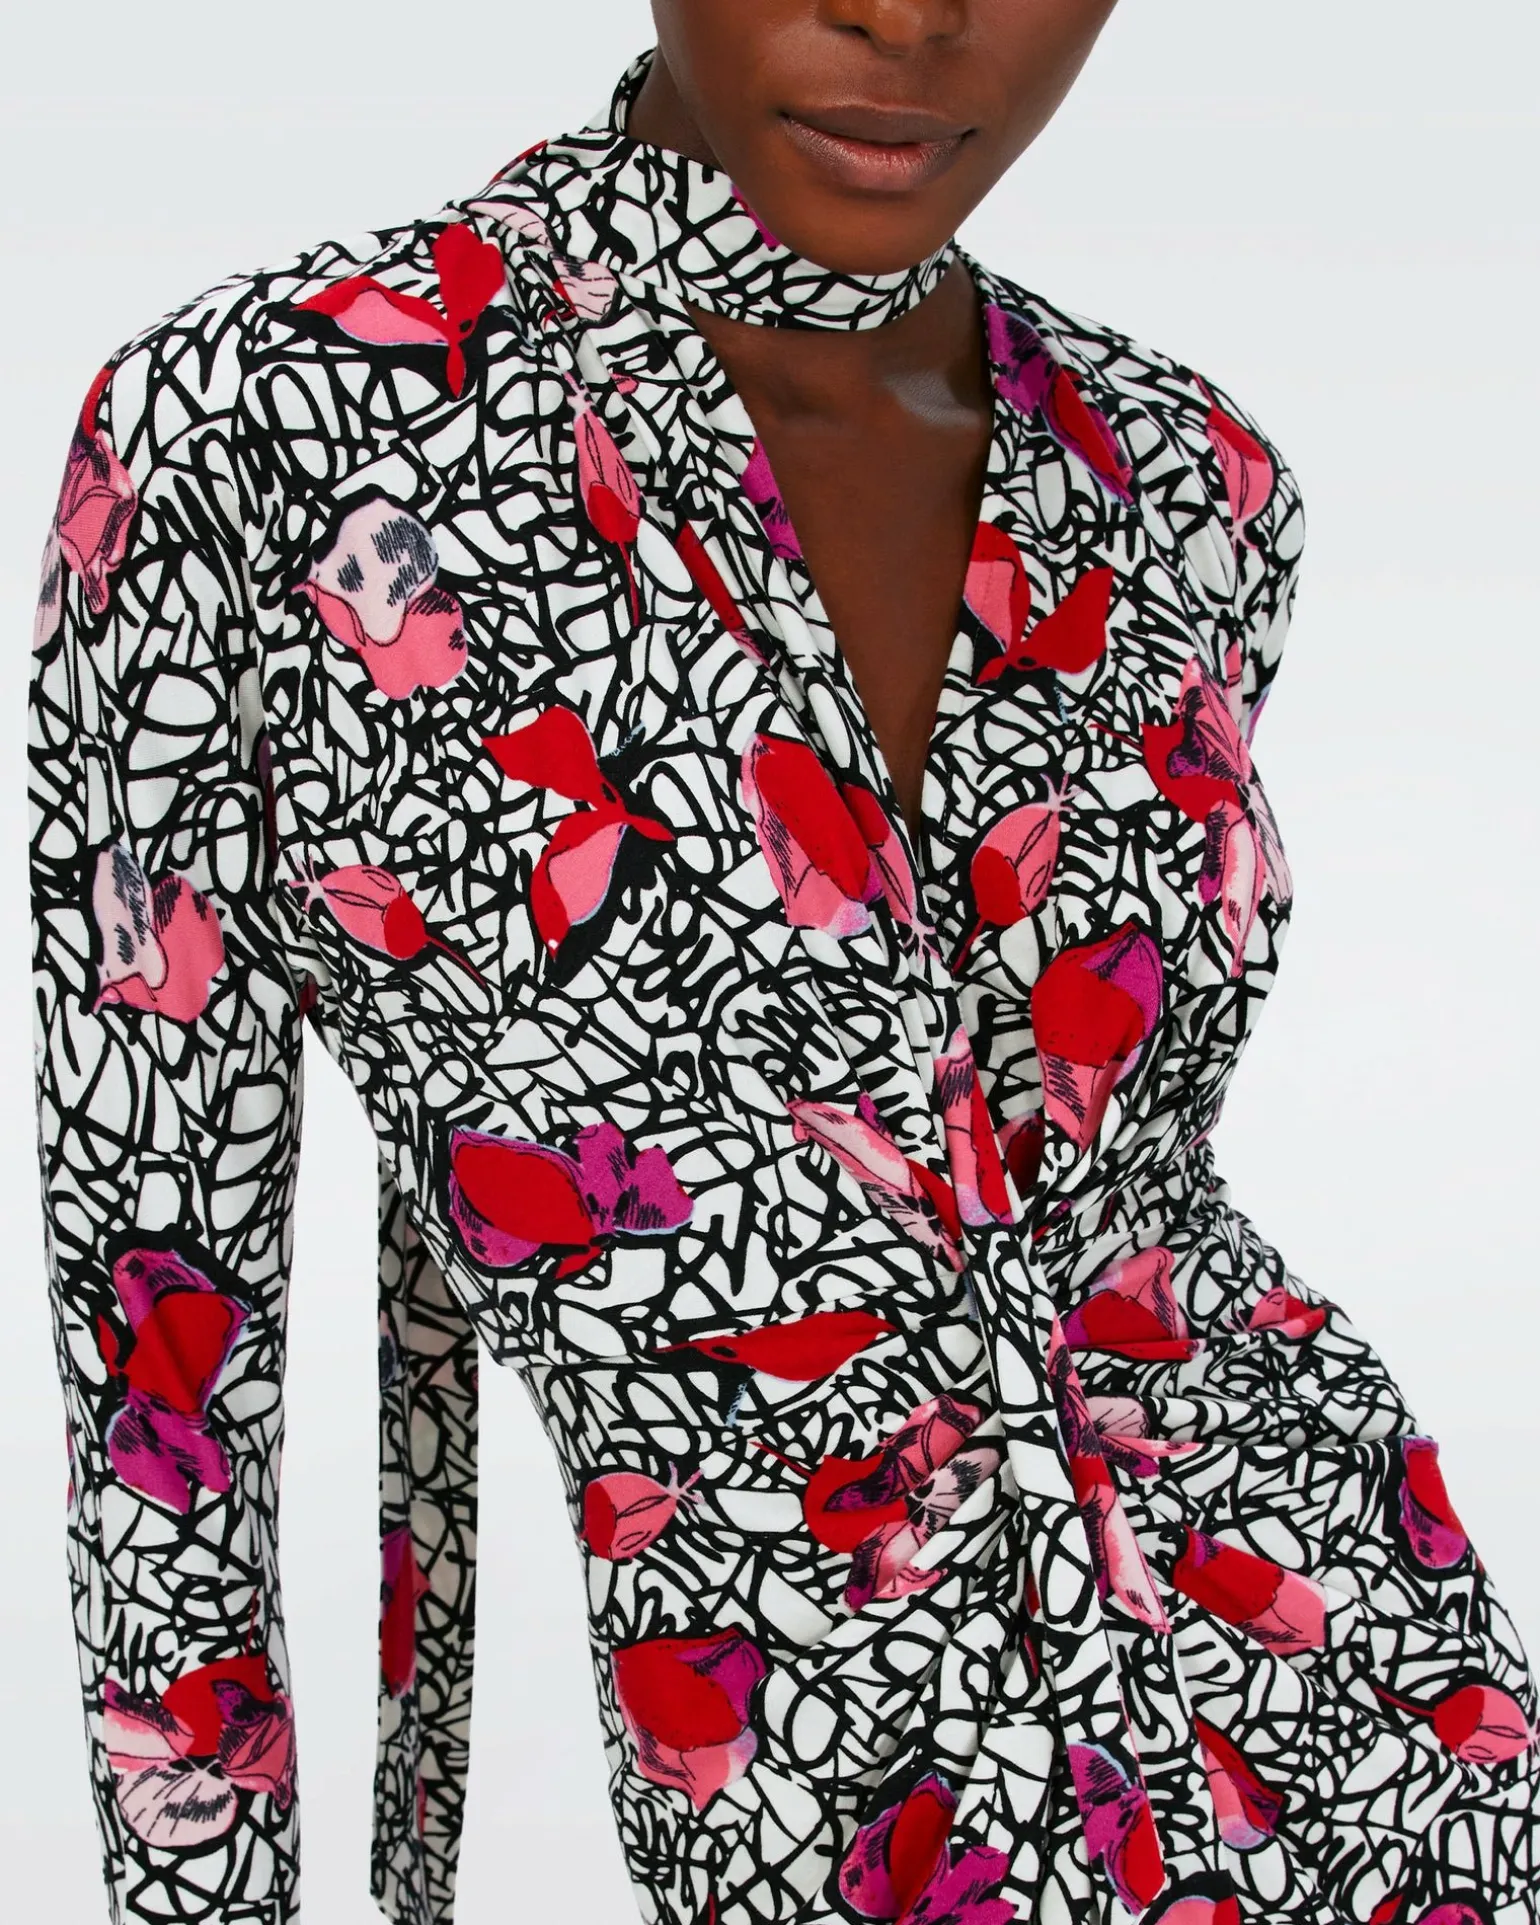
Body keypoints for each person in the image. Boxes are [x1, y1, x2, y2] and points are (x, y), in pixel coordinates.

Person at [26, 4, 1540, 1923]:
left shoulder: (1192, 479)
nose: (910, 12)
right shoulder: (264, 433)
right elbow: (161, 1378)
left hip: (1380, 1697)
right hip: (835, 1789)